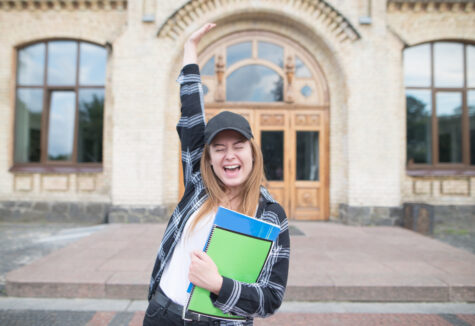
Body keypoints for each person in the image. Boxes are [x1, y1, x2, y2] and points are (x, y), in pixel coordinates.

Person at [143, 23, 290, 326]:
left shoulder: (271, 215)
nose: (230, 155)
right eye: (219, 148)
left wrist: (218, 284)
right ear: (207, 159)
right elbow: (191, 117)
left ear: (252, 154)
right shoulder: (198, 188)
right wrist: (190, 49)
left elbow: (270, 298)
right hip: (162, 314)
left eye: (238, 146)